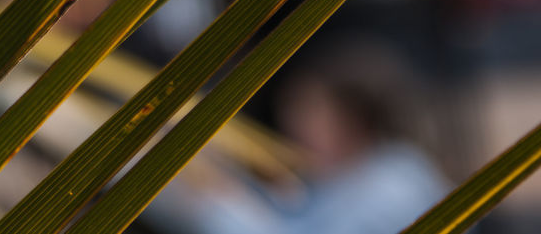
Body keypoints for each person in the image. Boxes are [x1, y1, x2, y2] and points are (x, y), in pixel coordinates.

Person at [142, 44, 453, 234]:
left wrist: (209, 200)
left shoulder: (394, 184)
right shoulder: (340, 180)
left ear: (351, 115)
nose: (291, 123)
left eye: (308, 109)